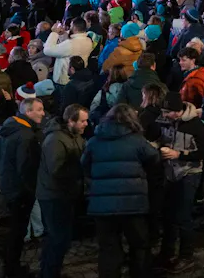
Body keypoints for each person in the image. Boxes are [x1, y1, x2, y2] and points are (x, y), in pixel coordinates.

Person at [82, 104, 160, 278]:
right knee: (139, 246)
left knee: (108, 249)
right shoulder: (137, 140)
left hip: (102, 205)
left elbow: (84, 166)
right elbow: (154, 160)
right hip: (133, 204)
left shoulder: (94, 141)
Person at [154, 92, 204, 271]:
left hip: (189, 173)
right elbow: (160, 138)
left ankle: (186, 255)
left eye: (167, 112)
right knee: (168, 215)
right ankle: (166, 253)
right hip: (170, 172)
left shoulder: (195, 125)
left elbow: (203, 152)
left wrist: (179, 154)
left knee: (183, 216)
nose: (164, 115)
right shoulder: (164, 121)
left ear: (177, 111)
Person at [0, 97, 46, 278]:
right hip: (20, 190)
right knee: (17, 230)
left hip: (9, 185)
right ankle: (12, 268)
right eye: (39, 109)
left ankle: (11, 265)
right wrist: (31, 190)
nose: (43, 113)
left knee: (15, 229)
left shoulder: (9, 129)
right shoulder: (26, 135)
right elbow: (26, 167)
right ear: (28, 112)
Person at [36, 104, 88, 278]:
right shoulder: (55, 140)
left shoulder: (75, 136)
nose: (86, 124)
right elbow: (57, 170)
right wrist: (82, 169)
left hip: (65, 194)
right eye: (82, 121)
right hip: (53, 195)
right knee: (58, 238)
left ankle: (49, 271)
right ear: (70, 121)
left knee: (60, 238)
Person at [43, 18, 93, 86]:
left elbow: (47, 50)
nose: (70, 27)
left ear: (75, 28)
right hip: (78, 77)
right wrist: (62, 34)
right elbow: (66, 47)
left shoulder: (71, 44)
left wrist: (54, 33)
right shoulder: (88, 41)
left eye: (71, 25)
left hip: (65, 79)